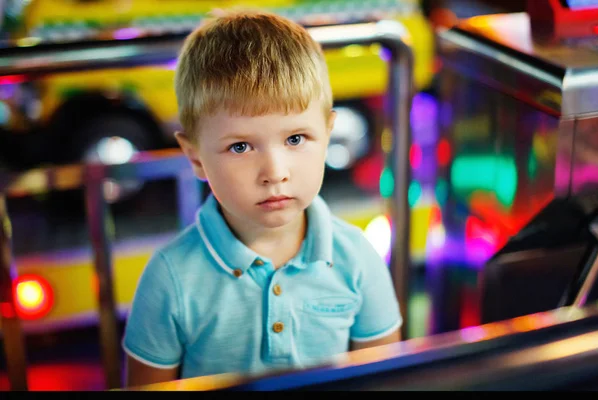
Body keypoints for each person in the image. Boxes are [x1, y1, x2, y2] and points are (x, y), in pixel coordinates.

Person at [122, 8, 402, 388]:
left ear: (328, 133)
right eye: (240, 146)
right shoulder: (169, 279)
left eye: (295, 139)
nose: (275, 171)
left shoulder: (358, 259)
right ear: (195, 158)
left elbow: (386, 380)